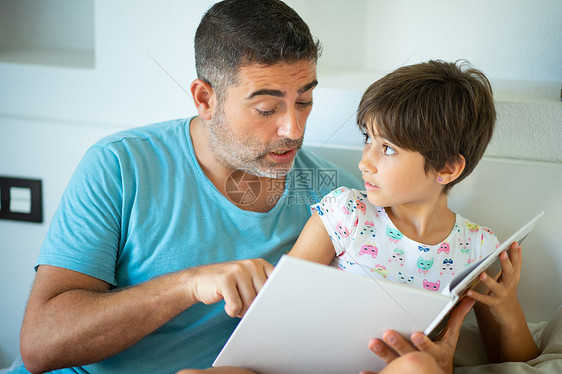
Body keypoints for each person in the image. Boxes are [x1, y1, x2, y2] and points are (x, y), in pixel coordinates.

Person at [12, 1, 363, 373]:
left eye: (305, 100)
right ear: (205, 99)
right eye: (266, 108)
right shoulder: (119, 165)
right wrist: (190, 285)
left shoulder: (339, 200)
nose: (294, 129)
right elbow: (40, 344)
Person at [288, 60, 539, 373]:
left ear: (447, 168)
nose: (365, 162)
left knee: (417, 366)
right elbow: (278, 308)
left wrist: (508, 307)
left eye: (388, 149)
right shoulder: (347, 213)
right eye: (367, 138)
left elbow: (518, 364)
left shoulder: (478, 248)